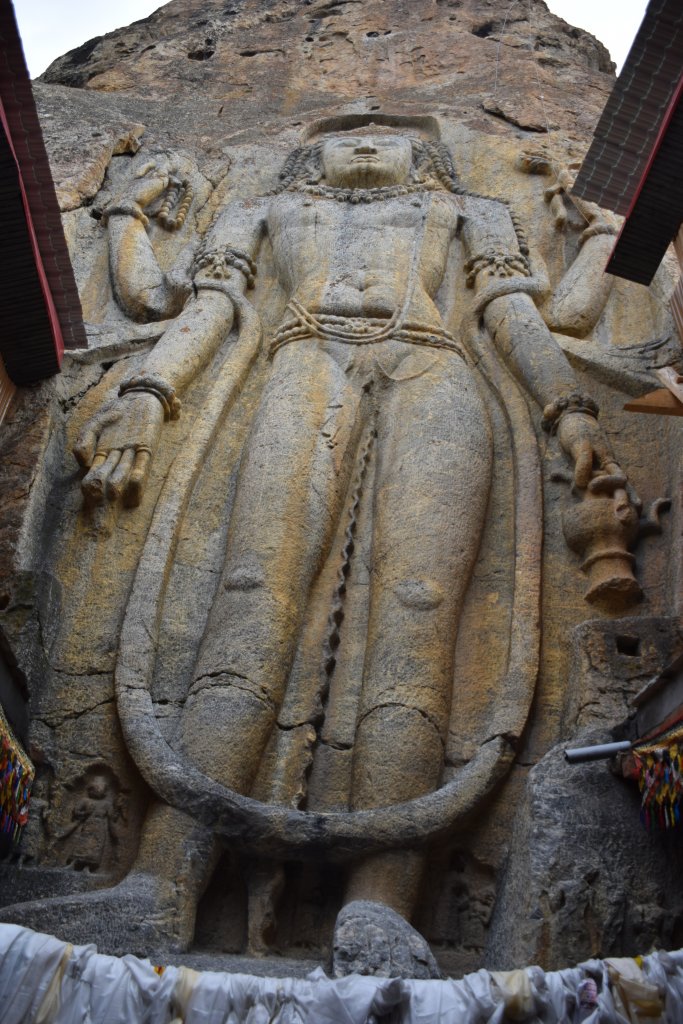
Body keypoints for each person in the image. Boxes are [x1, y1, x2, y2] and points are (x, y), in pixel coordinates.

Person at [6, 118, 628, 970]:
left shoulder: (470, 211)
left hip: (435, 375)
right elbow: (206, 307)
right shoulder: (267, 211)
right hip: (300, 363)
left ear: (428, 158)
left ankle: (380, 904)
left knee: (419, 613)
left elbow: (514, 313)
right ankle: (161, 878)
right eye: (350, 133)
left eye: (392, 136)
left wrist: (570, 412)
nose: (369, 141)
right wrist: (149, 393)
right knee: (250, 590)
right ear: (309, 154)